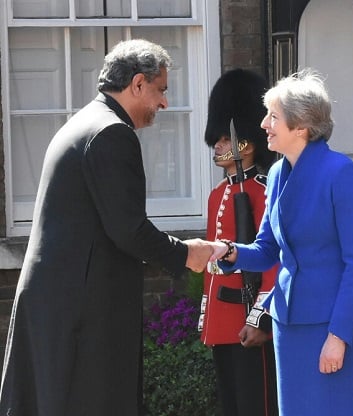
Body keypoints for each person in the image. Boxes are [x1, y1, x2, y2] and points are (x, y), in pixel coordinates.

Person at [0, 39, 215, 416]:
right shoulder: (112, 133)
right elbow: (128, 229)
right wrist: (186, 255)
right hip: (82, 315)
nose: (164, 102)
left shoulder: (86, 122)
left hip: (62, 305)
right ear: (137, 84)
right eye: (160, 89)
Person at [206, 68, 353, 416]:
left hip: (334, 325)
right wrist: (228, 251)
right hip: (289, 323)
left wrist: (339, 336)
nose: (264, 124)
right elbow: (266, 249)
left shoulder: (341, 173)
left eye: (273, 117)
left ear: (302, 127)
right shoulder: (278, 173)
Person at [198, 68, 278, 416]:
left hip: (248, 319)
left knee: (256, 406)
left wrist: (260, 319)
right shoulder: (218, 194)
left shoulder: (261, 191)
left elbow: (272, 261)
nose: (217, 144)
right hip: (223, 319)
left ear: (245, 142)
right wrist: (208, 315)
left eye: (224, 138)